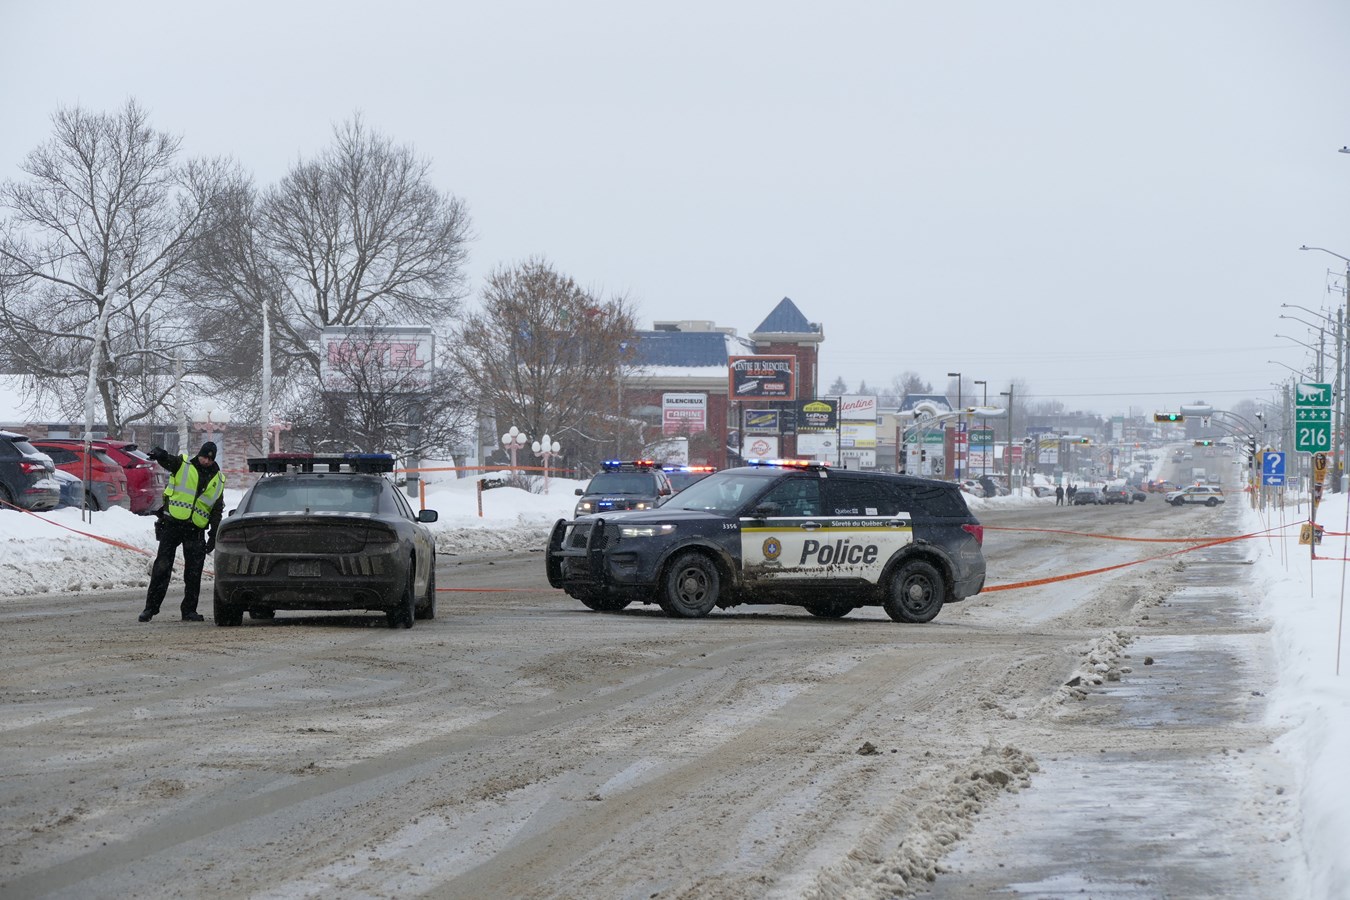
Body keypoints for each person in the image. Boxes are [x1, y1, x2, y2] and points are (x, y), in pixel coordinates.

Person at [138, 442, 226, 622]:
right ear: (199, 454)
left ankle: (189, 611)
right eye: (204, 456)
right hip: (173, 525)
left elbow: (216, 510)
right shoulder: (183, 465)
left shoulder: (218, 480)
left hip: (195, 529)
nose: (206, 461)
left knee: (194, 573)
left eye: (210, 458)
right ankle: (150, 609)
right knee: (162, 567)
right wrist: (160, 455)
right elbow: (168, 460)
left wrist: (213, 535)